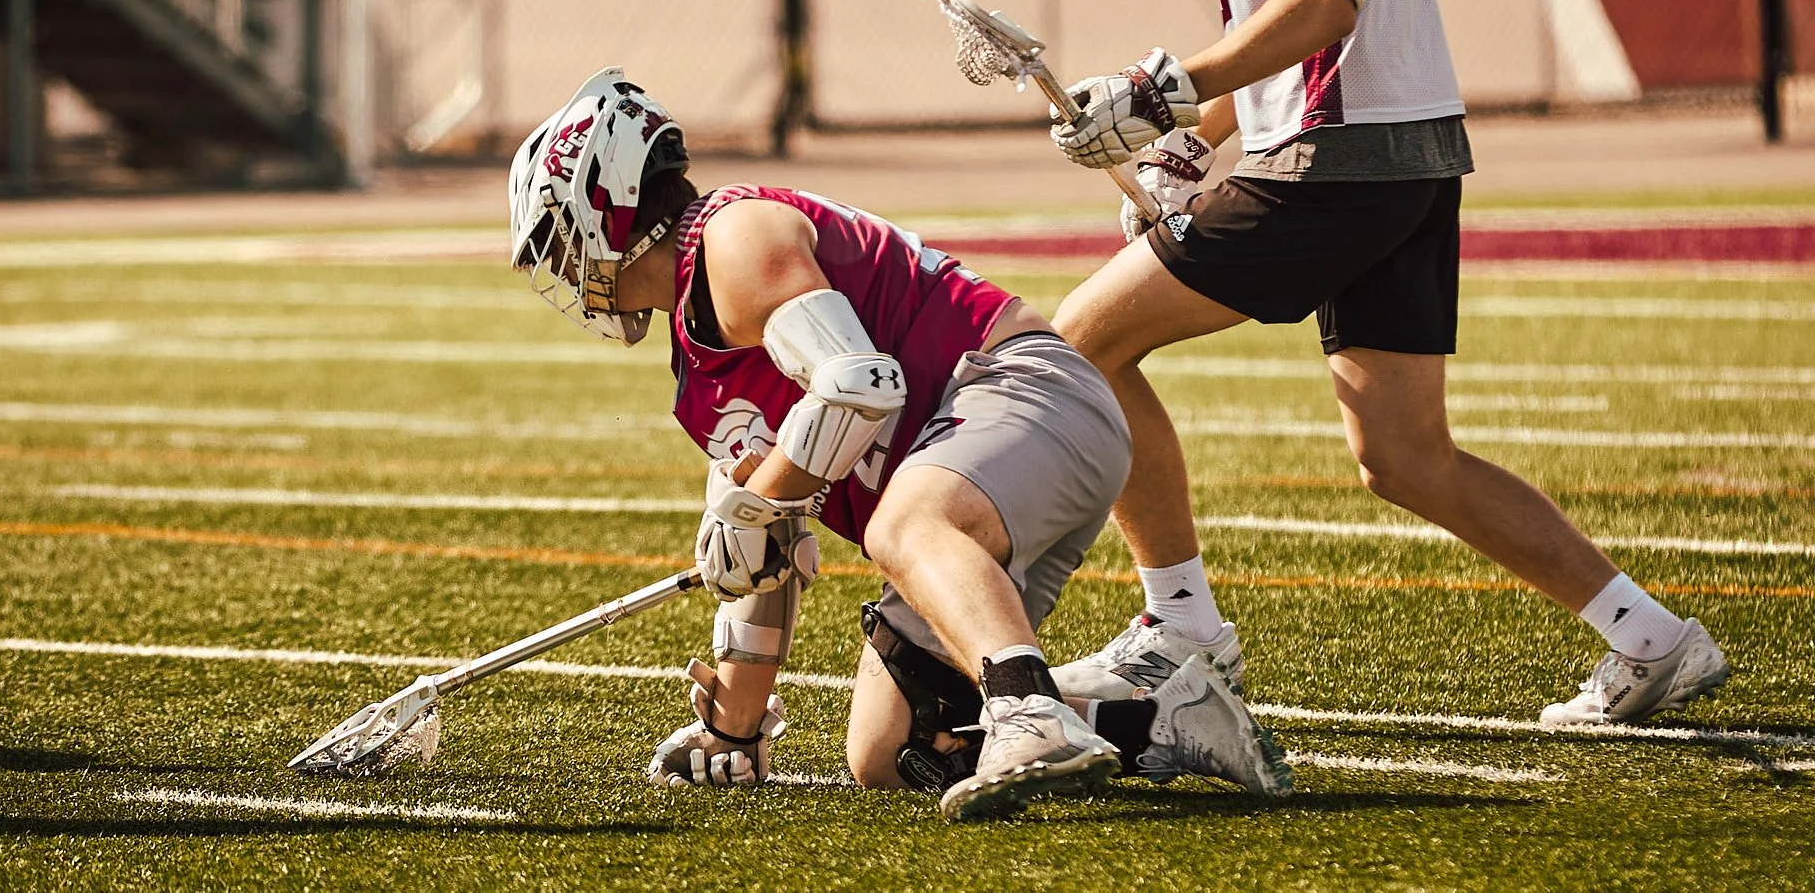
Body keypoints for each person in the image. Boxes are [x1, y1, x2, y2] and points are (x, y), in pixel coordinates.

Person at [1041, 0, 1729, 726]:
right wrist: (1190, 139)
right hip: (1399, 150)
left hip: (1335, 164)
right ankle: (1645, 634)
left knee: (1075, 350)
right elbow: (1301, 23)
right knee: (1403, 453)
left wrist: (1167, 93)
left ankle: (1181, 632)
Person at [506, 68, 1291, 821]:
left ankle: (1030, 709)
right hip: (973, 472)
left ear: (601, 207)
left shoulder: (732, 237)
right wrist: (734, 730)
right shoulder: (695, 376)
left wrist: (756, 507)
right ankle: (1167, 724)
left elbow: (857, 384)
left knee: (899, 529)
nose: (562, 270)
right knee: (891, 753)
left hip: (1025, 391)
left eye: (555, 240)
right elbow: (767, 553)